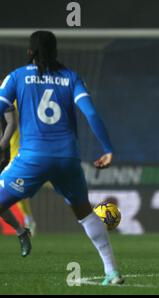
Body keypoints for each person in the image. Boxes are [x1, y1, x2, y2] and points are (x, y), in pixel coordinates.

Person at [0, 30, 123, 285]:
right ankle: (111, 271)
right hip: (67, 159)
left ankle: (22, 232)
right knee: (85, 213)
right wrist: (108, 148)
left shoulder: (16, 77)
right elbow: (90, 114)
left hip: (31, 159)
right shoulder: (71, 78)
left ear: (29, 52)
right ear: (56, 52)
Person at [0, 103, 31, 256]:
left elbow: (12, 122)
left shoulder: (4, 97)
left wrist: (2, 145)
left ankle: (21, 231)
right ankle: (21, 232)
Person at [9, 99, 37, 235]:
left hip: (23, 153)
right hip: (13, 154)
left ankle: (28, 220)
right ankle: (28, 219)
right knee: (17, 191)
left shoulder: (14, 100)